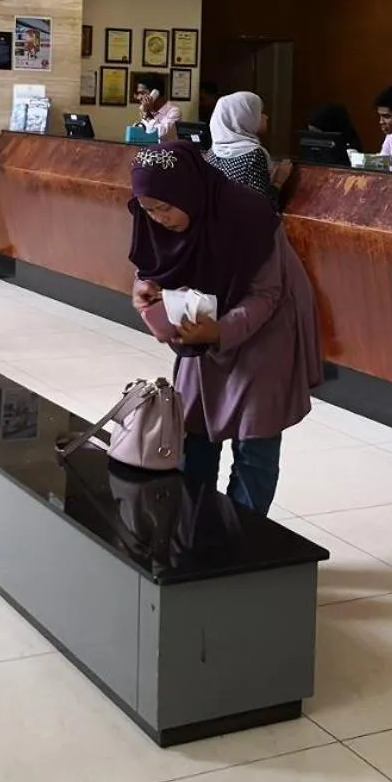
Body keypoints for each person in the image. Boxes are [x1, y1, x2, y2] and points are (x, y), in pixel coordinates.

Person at [127, 144, 321, 513]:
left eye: (165, 208)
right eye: (148, 210)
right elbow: (151, 266)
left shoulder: (249, 217)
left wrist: (218, 332)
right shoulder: (151, 215)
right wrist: (142, 289)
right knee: (193, 434)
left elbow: (267, 294)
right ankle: (194, 534)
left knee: (255, 445)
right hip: (201, 334)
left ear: (188, 192)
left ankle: (243, 544)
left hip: (264, 333)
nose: (158, 220)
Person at [206, 91, 291, 206]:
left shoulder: (213, 152)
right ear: (244, 117)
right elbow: (263, 206)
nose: (266, 117)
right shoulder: (253, 155)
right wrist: (279, 181)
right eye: (260, 113)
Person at [135, 75, 182, 141]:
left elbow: (159, 134)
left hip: (167, 150)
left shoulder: (174, 112)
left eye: (142, 93)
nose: (139, 97)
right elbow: (146, 134)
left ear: (155, 93)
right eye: (138, 93)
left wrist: (147, 115)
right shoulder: (146, 109)